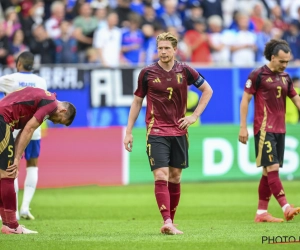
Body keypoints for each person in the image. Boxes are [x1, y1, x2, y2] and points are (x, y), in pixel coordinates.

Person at [123, 32, 213, 235]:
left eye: (166, 48)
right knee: (160, 175)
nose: (163, 52)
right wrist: (128, 131)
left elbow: (208, 90)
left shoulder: (186, 71)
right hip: (156, 131)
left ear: (175, 50)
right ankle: (167, 221)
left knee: (175, 177)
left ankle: (171, 220)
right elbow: (137, 101)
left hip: (179, 131)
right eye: (160, 48)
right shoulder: (147, 73)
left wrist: (194, 116)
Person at [239, 39, 300, 223]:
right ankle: (286, 207)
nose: (284, 65)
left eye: (287, 62)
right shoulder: (257, 75)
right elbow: (245, 101)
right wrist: (243, 127)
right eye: (281, 61)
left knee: (268, 172)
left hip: (280, 129)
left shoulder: (286, 78)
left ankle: (261, 213)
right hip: (264, 128)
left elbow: (296, 99)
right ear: (272, 57)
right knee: (272, 167)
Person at [0, 87, 76, 234]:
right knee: (8, 174)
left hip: (3, 120)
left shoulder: (45, 97)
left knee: (2, 175)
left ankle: (7, 224)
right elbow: (29, 129)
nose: (55, 123)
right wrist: (16, 158)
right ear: (63, 111)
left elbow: (24, 128)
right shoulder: (51, 105)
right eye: (60, 121)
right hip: (2, 122)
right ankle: (12, 226)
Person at [0, 51, 47, 220]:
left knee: (10, 166)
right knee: (32, 165)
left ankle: (9, 210)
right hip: (33, 128)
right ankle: (25, 207)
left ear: (19, 63)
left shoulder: (9, 78)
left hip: (13, 127)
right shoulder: (41, 81)